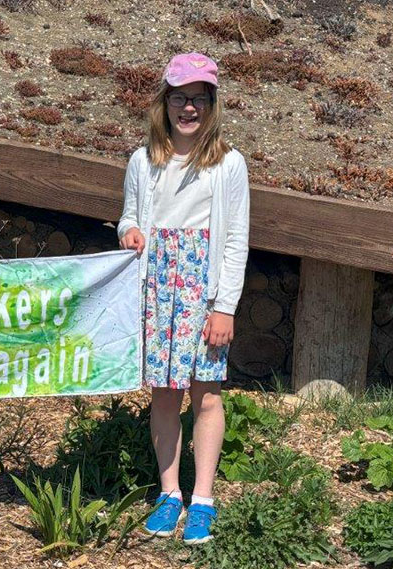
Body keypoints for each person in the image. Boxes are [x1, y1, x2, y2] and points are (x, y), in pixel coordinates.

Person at [117, 52, 249, 544]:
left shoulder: (228, 164)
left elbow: (235, 238)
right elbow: (128, 216)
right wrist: (129, 232)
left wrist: (224, 305)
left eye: (198, 98)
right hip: (158, 289)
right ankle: (169, 492)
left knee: (207, 395)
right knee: (166, 395)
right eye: (179, 98)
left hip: (203, 290)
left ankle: (204, 499)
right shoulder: (143, 159)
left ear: (212, 104)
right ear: (165, 102)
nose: (188, 108)